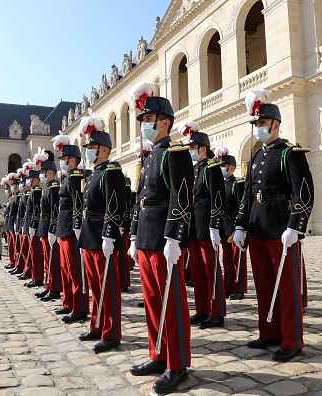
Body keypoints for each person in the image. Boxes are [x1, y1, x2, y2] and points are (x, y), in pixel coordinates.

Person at [233, 88, 314, 362]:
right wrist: (240, 225)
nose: (258, 128)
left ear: (275, 124)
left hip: (281, 229)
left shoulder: (290, 153)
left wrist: (296, 226)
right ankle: (269, 332)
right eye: (255, 124)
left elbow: (303, 191)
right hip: (257, 227)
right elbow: (247, 194)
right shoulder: (256, 157)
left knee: (287, 287)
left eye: (262, 124)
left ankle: (292, 340)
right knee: (265, 284)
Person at [128, 82, 193, 393]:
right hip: (146, 237)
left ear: (165, 121)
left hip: (164, 237)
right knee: (153, 301)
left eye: (148, 119)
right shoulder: (150, 156)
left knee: (173, 303)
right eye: (143, 120)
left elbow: (181, 198)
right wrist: (132, 236)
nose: (144, 124)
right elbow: (140, 199)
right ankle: (158, 352)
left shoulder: (175, 152)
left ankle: (177, 363)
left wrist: (174, 238)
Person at [77, 113, 126, 354]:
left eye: (92, 147)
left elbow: (114, 205)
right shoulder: (94, 172)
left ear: (104, 149)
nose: (88, 151)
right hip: (90, 234)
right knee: (95, 286)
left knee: (107, 287)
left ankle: (111, 332)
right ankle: (96, 324)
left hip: (103, 235)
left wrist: (109, 234)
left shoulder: (111, 171)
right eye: (87, 147)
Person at [182, 120, 226, 330]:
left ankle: (217, 311)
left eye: (193, 147)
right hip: (194, 226)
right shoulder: (193, 169)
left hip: (207, 225)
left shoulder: (212, 167)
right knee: (197, 270)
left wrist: (215, 225)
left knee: (211, 270)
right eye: (189, 147)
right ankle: (202, 309)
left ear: (203, 148)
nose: (190, 150)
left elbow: (218, 197)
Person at [53, 133, 89, 323]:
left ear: (73, 160)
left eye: (64, 159)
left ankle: (79, 306)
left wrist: (77, 225)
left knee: (75, 270)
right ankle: (68, 302)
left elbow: (77, 202)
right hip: (63, 226)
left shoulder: (75, 176)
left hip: (70, 227)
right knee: (66, 268)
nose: (62, 162)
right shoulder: (67, 177)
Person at [217, 149, 248, 300]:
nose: (222, 167)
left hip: (234, 226)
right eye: (221, 165)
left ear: (232, 167)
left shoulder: (237, 184)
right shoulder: (219, 184)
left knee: (238, 258)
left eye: (225, 165)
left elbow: (242, 205)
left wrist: (241, 227)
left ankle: (239, 287)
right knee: (227, 259)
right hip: (223, 226)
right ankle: (228, 286)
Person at [35, 150, 63, 302]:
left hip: (49, 227)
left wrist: (53, 229)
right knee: (47, 259)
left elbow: (54, 210)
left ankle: (54, 288)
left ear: (50, 172)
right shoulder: (48, 186)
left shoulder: (53, 187)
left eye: (43, 171)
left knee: (52, 260)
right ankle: (48, 285)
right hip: (44, 227)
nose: (42, 174)